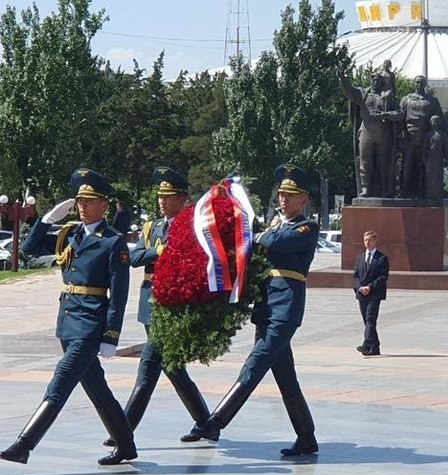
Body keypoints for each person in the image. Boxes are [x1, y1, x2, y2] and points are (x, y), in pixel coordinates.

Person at [1, 168, 136, 465]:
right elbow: (27, 250)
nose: (82, 207)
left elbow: (120, 294)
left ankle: (24, 444)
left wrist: (111, 335)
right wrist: (46, 220)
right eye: (79, 201)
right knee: (97, 388)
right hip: (68, 322)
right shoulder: (70, 233)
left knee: (61, 382)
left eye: (89, 201)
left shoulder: (113, 242)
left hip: (90, 324)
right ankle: (126, 445)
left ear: (105, 205)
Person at [189, 163, 321, 456]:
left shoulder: (307, 228)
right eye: (282, 195)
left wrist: (262, 237)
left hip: (286, 309)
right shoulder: (275, 227)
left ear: (304, 200)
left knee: (256, 363)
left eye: (291, 195)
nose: (283, 200)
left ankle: (216, 421)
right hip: (267, 308)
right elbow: (260, 243)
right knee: (286, 379)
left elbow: (275, 242)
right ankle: (307, 436)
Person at [102, 167, 211, 448]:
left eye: (169, 196)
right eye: (160, 196)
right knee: (173, 368)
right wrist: (158, 252)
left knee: (148, 365)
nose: (162, 201)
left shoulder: (190, 228)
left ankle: (123, 430)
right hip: (150, 302)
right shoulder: (152, 228)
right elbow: (135, 257)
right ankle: (206, 422)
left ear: (183, 199)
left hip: (172, 304)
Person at [339, 70, 403, 197]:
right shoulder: (363, 93)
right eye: (373, 80)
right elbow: (349, 91)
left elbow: (400, 114)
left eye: (378, 81)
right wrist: (342, 79)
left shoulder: (387, 96)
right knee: (365, 161)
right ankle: (365, 188)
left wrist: (386, 115)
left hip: (382, 133)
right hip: (366, 132)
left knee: (383, 162)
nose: (375, 82)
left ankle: (385, 189)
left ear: (381, 83)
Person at [400, 75, 447, 199]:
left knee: (424, 167)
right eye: (417, 82)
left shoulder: (432, 100)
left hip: (426, 139)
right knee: (407, 166)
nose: (418, 85)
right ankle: (405, 193)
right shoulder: (406, 100)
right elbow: (399, 119)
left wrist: (447, 134)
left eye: (421, 82)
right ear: (414, 84)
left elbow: (440, 118)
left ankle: (422, 193)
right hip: (409, 138)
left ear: (425, 84)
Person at [353, 230, 389, 356]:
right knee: (367, 321)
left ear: (375, 241)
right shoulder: (360, 258)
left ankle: (366, 344)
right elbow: (356, 276)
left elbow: (383, 277)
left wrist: (370, 286)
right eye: (365, 240)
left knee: (370, 319)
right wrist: (359, 287)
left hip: (374, 294)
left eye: (369, 240)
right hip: (361, 294)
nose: (367, 243)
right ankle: (375, 348)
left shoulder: (382, 258)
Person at [422, 115, 448, 200]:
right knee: (429, 177)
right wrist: (423, 159)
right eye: (434, 121)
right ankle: (429, 194)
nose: (436, 123)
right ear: (431, 122)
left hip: (438, 159)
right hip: (429, 159)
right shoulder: (428, 135)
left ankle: (438, 194)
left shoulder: (443, 135)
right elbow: (424, 148)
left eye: (438, 121)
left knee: (438, 177)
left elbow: (446, 149)